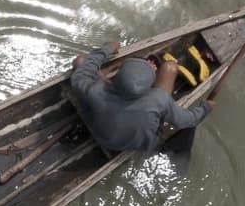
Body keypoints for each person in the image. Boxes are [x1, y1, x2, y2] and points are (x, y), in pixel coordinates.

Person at [68, 41, 213, 153]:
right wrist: (207, 107)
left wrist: (109, 48)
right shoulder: (158, 100)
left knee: (81, 62)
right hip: (133, 143)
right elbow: (188, 120)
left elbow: (81, 65)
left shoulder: (95, 91)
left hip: (99, 132)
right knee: (170, 67)